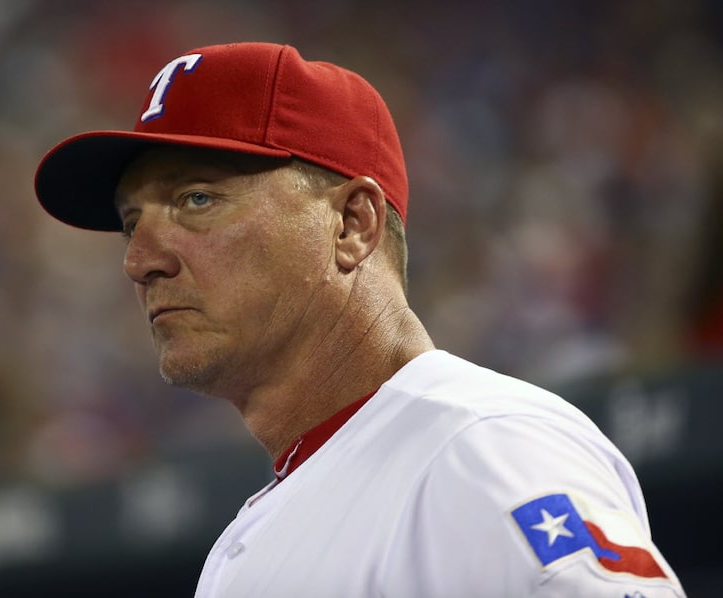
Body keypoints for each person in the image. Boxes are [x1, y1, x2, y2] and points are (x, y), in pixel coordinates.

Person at [34, 42, 685, 597]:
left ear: (352, 224)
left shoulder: (482, 448)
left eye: (197, 198)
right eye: (130, 224)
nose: (139, 261)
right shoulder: (254, 539)